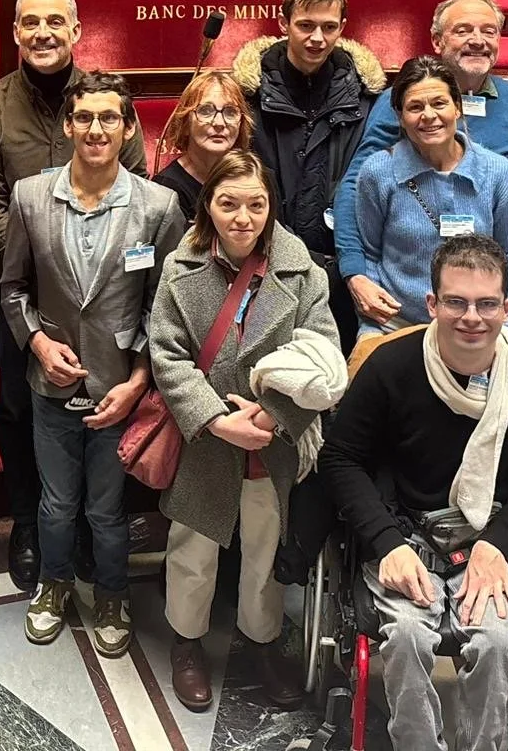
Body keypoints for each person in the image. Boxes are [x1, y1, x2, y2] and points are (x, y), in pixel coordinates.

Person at [320, 235, 508, 751]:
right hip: (404, 530)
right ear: (432, 304)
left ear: (507, 307)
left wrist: (498, 543)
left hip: (493, 534)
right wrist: (385, 543)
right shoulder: (390, 366)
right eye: (455, 301)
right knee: (407, 635)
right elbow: (340, 459)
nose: (470, 317)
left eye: (485, 304)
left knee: (499, 641)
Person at [0, 0, 149, 590]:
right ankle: (29, 520)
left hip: (103, 290)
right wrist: (48, 251)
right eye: (30, 23)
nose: (42, 33)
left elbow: (138, 184)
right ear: (16, 34)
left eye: (55, 22)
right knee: (19, 407)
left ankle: (93, 530)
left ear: (76, 31)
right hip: (21, 289)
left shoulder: (107, 103)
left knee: (103, 402)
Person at [148, 150, 347, 711]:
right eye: (228, 203)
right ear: (207, 205)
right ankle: (186, 643)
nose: (242, 217)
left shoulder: (300, 266)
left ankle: (261, 643)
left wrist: (274, 415)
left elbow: (323, 352)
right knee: (193, 545)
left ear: (271, 206)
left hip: (269, 437)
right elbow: (167, 354)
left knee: (265, 544)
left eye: (255, 204)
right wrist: (215, 418)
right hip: (207, 436)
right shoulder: (179, 266)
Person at [0, 70, 185, 656]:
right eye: (84, 117)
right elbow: (11, 290)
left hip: (118, 390)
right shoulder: (31, 196)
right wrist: (36, 343)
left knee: (106, 511)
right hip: (51, 384)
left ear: (128, 127)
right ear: (68, 124)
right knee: (55, 504)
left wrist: (138, 381)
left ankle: (111, 593)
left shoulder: (159, 206)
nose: (96, 128)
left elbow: (167, 308)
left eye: (109, 117)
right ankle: (54, 585)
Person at [335, 0, 508, 315]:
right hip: (404, 296)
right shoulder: (401, 101)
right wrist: (354, 270)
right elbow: (357, 183)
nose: (477, 40)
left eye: (489, 31)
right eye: (463, 30)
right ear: (437, 41)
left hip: (477, 298)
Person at [233, 0, 386, 347]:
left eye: (328, 26)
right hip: (263, 261)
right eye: (305, 25)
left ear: (343, 27)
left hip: (339, 266)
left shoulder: (367, 99)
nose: (317, 38)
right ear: (283, 22)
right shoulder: (247, 96)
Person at [348, 56, 508, 338]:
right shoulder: (377, 172)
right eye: (415, 107)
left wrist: (504, 320)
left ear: (457, 108)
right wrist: (375, 316)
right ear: (399, 116)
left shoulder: (497, 172)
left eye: (439, 103)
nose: (429, 115)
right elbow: (369, 253)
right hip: (397, 323)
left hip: (477, 324)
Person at [153, 69, 255, 220]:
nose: (219, 123)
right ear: (185, 123)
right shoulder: (166, 190)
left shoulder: (257, 178)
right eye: (206, 111)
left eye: (230, 112)